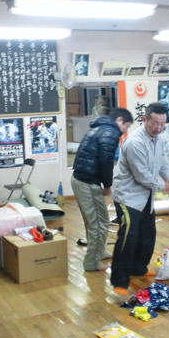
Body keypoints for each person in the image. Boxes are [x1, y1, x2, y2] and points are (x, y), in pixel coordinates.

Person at [110, 102, 169, 296]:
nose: (158, 128)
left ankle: (139, 268)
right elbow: (141, 175)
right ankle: (119, 281)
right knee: (128, 237)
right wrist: (164, 186)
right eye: (154, 123)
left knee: (148, 235)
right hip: (128, 197)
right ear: (145, 120)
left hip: (146, 196)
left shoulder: (159, 139)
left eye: (162, 124)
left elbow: (163, 161)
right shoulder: (134, 142)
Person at [71, 108, 133, 272]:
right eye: (126, 126)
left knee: (98, 221)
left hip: (81, 179)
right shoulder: (111, 132)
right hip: (87, 182)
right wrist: (107, 185)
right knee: (98, 223)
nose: (125, 131)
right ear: (119, 120)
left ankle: (100, 251)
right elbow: (106, 161)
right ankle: (92, 263)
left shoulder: (99, 127)